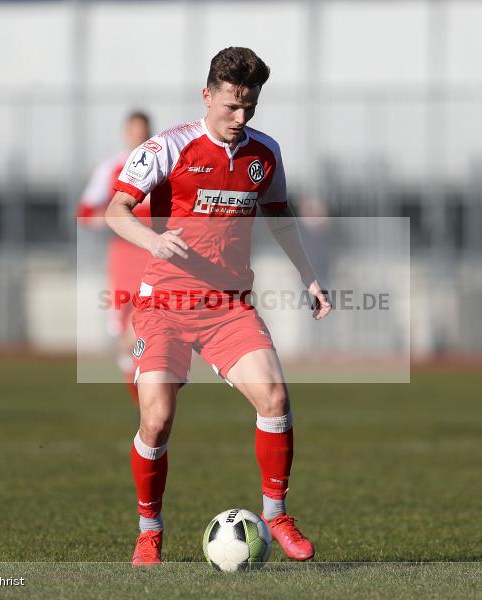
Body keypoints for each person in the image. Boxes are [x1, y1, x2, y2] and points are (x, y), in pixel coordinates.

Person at [105, 47, 332, 566]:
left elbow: (280, 217)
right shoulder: (168, 147)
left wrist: (310, 277)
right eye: (231, 105)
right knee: (157, 420)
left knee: (274, 398)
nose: (240, 117)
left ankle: (275, 514)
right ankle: (149, 530)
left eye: (249, 107)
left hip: (229, 305)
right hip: (165, 303)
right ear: (207, 96)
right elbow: (116, 211)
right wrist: (152, 240)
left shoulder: (264, 155)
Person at [77, 112, 155, 403]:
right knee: (125, 332)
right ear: (125, 133)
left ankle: (148, 400)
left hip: (154, 256)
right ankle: (139, 397)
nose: (138, 136)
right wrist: (111, 219)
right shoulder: (111, 168)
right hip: (123, 258)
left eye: (143, 131)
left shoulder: (162, 164)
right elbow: (86, 212)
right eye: (134, 131)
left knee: (145, 328)